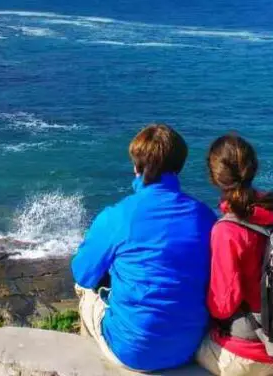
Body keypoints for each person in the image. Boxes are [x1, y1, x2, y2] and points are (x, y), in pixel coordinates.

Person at [71, 123, 217, 372]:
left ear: (136, 167)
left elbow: (83, 273)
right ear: (179, 167)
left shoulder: (118, 215)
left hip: (133, 350)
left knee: (85, 291)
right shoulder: (204, 216)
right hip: (188, 345)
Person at [196, 133, 273, 376]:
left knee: (186, 344)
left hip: (246, 359)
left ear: (214, 177)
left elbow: (223, 306)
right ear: (253, 168)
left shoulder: (227, 230)